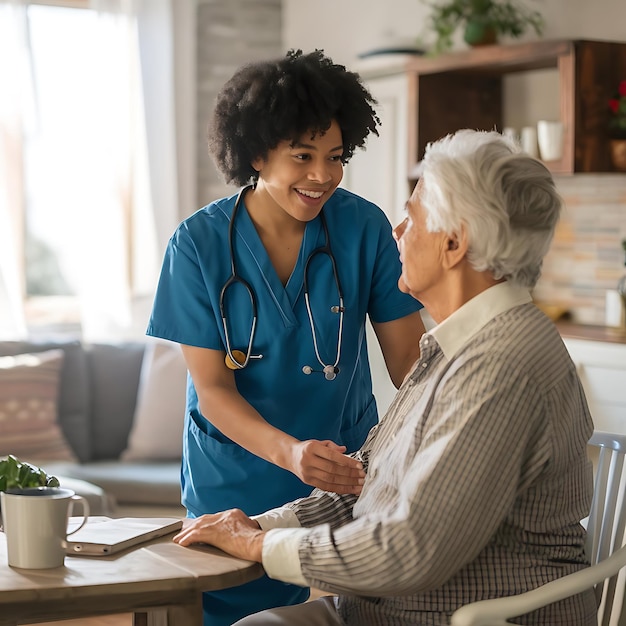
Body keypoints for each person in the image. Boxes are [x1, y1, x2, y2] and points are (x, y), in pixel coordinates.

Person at [172, 129, 597, 626]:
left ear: (454, 244)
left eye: (412, 217)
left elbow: (408, 549)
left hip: (453, 614)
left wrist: (260, 544)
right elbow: (367, 479)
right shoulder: (452, 350)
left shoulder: (500, 368)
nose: (395, 232)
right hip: (389, 607)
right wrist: (257, 525)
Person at [146, 49, 425, 625]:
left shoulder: (363, 227)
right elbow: (214, 391)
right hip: (235, 484)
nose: (322, 174)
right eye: (303, 155)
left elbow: (411, 366)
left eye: (335, 157)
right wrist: (291, 453)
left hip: (341, 483)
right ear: (256, 154)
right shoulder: (196, 246)